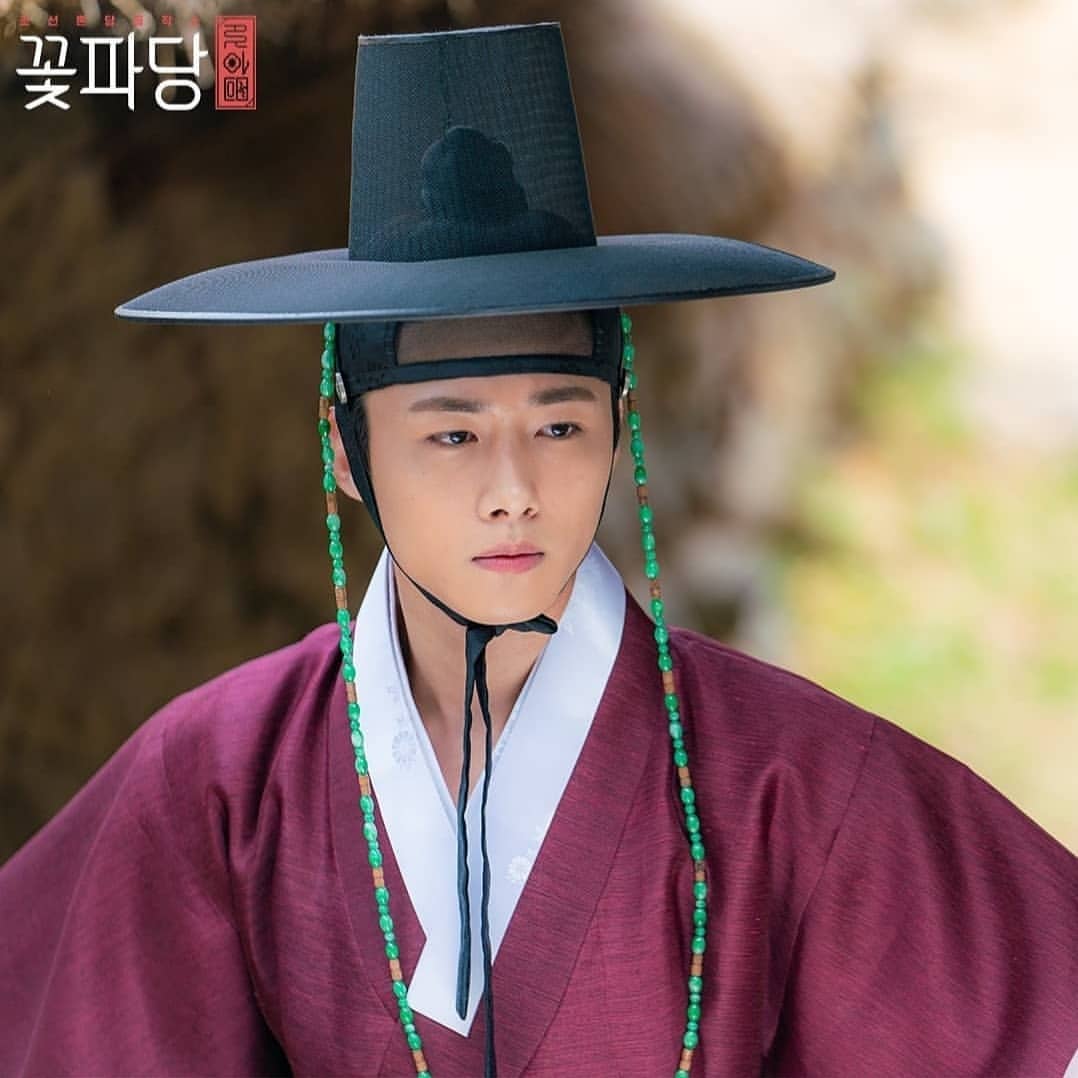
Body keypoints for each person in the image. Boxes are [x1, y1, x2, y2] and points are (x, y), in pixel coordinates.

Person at [2, 20, 1076, 1078]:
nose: (512, 491)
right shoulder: (220, 783)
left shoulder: (792, 784)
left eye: (559, 426)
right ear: (345, 450)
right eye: (452, 435)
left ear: (620, 427)